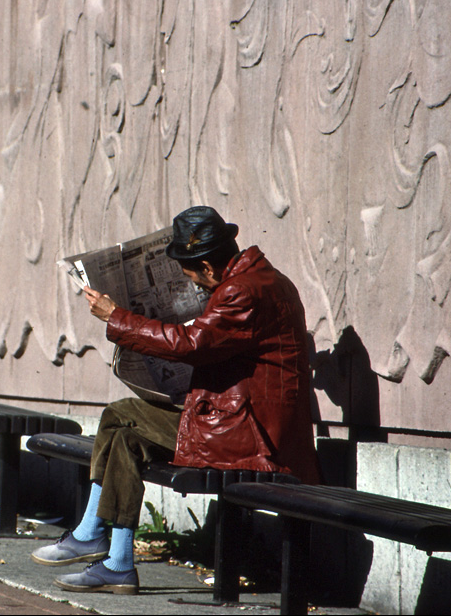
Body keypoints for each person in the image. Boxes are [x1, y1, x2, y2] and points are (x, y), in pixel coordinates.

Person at [31, 206, 322, 595]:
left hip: (253, 437)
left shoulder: (241, 290)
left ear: (207, 266)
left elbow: (193, 344)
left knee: (122, 420)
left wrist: (117, 317)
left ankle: (99, 543)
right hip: (238, 418)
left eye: (192, 277)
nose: (198, 287)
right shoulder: (264, 279)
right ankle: (112, 556)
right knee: (123, 426)